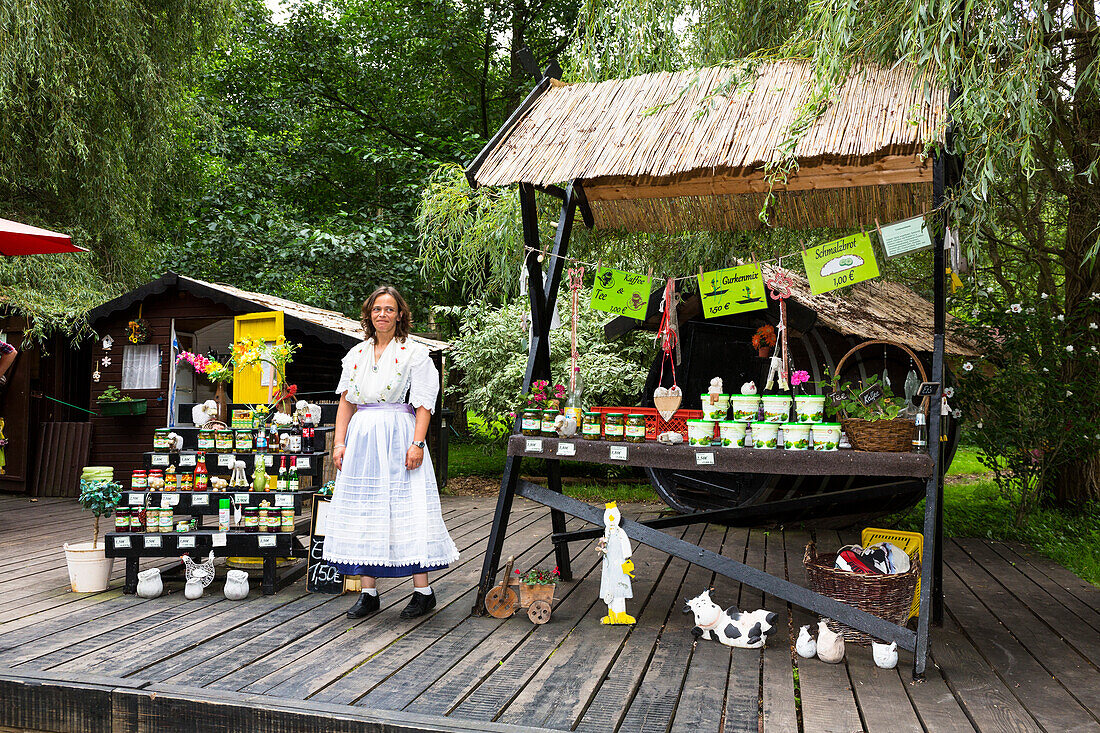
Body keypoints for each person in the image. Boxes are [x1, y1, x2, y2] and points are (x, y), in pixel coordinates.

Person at [323, 286, 459, 619]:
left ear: (400, 314)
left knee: (406, 506)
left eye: (389, 309)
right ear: (369, 314)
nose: (382, 314)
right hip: (363, 439)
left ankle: (423, 592)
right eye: (376, 309)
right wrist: (340, 444)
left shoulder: (415, 352)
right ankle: (368, 593)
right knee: (366, 508)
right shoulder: (356, 354)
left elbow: (425, 402)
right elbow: (346, 403)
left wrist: (417, 443)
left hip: (399, 434)